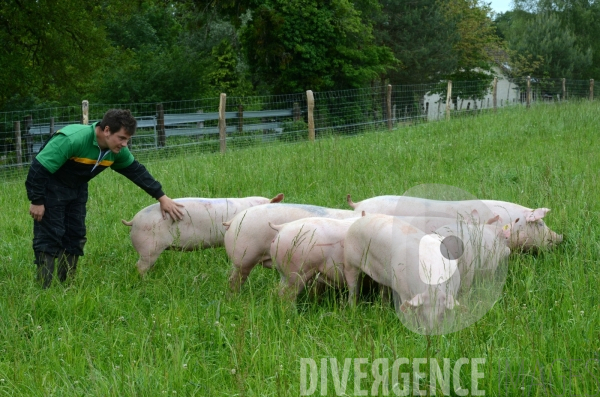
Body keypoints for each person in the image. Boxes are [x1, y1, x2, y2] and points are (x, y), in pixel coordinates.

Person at [25, 109, 185, 288]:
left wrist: (162, 197)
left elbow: (136, 171)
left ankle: (66, 286)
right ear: (107, 130)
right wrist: (37, 200)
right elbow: (38, 169)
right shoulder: (72, 139)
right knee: (50, 236)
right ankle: (43, 288)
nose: (125, 144)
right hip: (50, 188)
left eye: (127, 140)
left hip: (77, 189)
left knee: (75, 235)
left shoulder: (114, 151)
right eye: (122, 138)